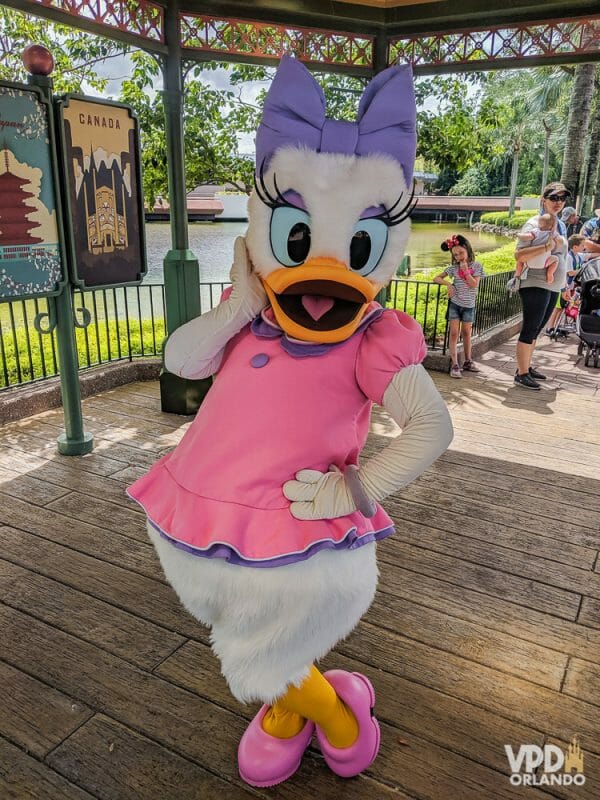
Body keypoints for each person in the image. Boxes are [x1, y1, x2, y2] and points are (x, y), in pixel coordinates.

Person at [513, 181, 569, 389]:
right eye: (554, 198)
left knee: (537, 329)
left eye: (562, 199)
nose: (558, 202)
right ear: (543, 200)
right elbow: (519, 254)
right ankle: (522, 373)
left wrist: (564, 285)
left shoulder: (558, 224)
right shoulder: (534, 224)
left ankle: (526, 366)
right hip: (535, 282)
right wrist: (547, 245)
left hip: (552, 285)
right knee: (530, 328)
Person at [433, 233, 484, 378]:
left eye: (461, 253)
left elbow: (474, 285)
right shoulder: (453, 268)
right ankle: (454, 364)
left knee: (467, 333)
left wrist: (466, 271)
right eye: (455, 255)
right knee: (454, 333)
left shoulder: (477, 266)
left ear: (468, 249)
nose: (459, 257)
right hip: (455, 304)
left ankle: (468, 361)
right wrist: (449, 284)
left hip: (469, 305)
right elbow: (436, 278)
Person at [545, 233, 585, 335]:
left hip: (569, 286)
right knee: (557, 307)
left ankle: (555, 327)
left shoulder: (578, 256)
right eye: (582, 245)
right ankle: (550, 327)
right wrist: (583, 269)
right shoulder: (569, 257)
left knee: (562, 307)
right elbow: (570, 272)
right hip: (563, 285)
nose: (584, 247)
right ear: (575, 247)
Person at [515, 213, 562, 284]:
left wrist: (519, 235)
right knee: (555, 259)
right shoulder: (552, 234)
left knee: (520, 261)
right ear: (553, 226)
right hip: (543, 263)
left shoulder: (536, 231)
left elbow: (527, 237)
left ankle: (518, 273)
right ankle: (550, 274)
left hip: (529, 262)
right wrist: (554, 242)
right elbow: (560, 242)